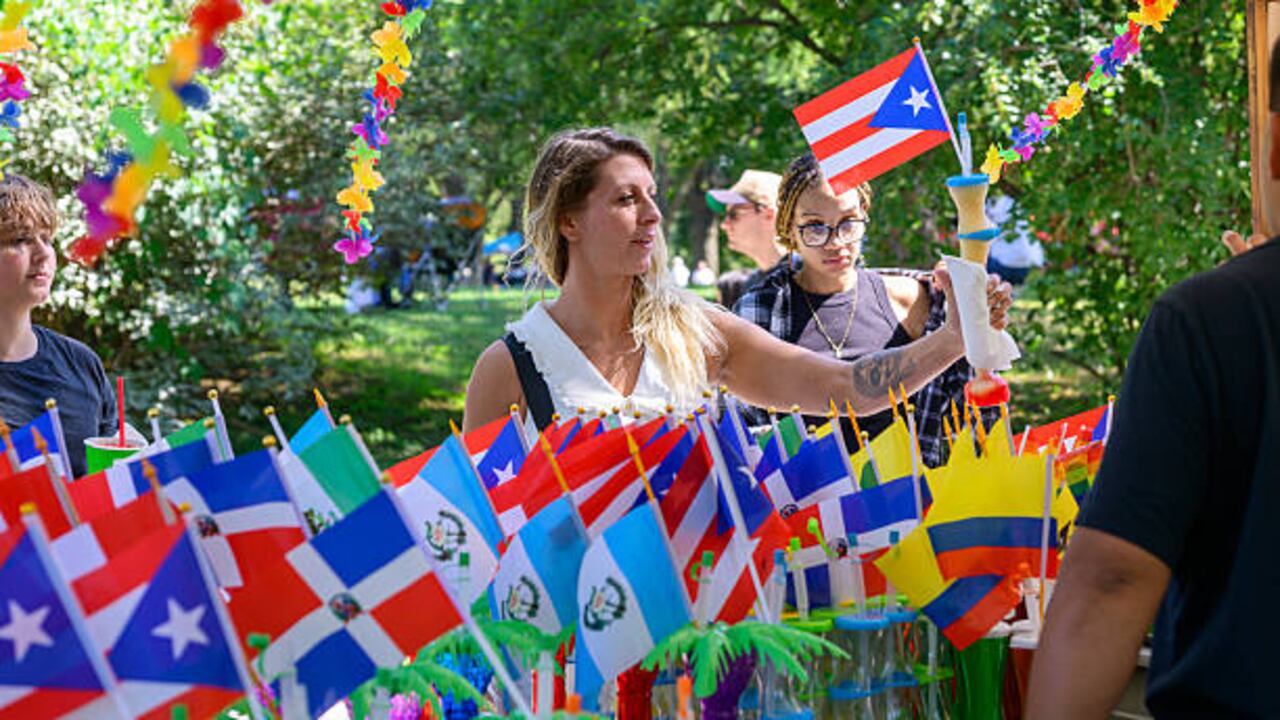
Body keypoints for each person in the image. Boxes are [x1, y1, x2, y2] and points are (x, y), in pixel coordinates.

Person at [463, 127, 1008, 434]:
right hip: (570, 629)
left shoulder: (694, 331)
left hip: (705, 625)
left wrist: (955, 338)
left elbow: (845, 390)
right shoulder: (511, 367)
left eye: (652, 195)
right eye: (627, 199)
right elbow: (476, 532)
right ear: (568, 220)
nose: (653, 215)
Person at [733, 153, 1013, 467]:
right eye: (814, 226)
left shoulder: (917, 302)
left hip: (915, 506)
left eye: (848, 223)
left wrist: (980, 327)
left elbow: (980, 419)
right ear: (789, 227)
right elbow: (741, 436)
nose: (835, 242)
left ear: (864, 214)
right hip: (808, 511)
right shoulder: (760, 312)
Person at [0, 174, 117, 478]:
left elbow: (112, 485)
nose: (44, 254)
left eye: (47, 239)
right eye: (21, 239)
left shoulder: (82, 364)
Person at [706, 169, 785, 308]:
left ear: (768, 214)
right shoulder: (750, 285)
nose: (724, 225)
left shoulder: (808, 281)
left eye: (733, 214)